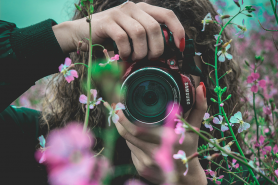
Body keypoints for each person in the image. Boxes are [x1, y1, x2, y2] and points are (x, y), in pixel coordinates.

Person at [0, 0, 245, 184]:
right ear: (93, 68)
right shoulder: (49, 149)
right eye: (131, 60)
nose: (150, 80)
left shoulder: (243, 174)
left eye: (173, 59)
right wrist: (67, 35)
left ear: (210, 72)